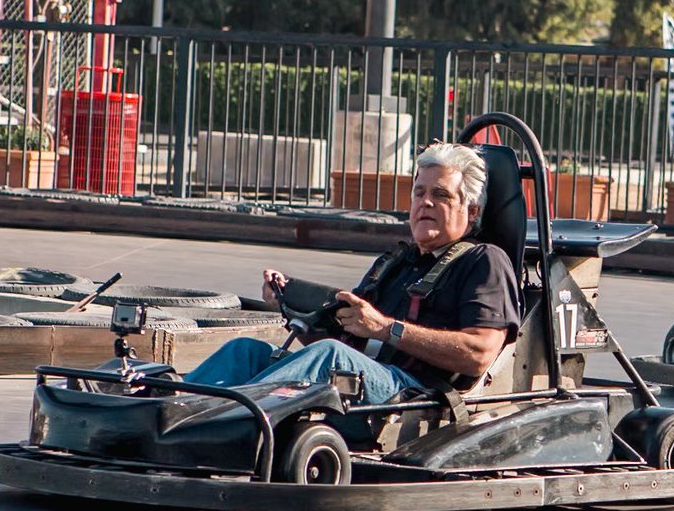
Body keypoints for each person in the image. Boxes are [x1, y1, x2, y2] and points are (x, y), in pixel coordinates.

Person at [184, 142, 522, 402]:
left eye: (441, 195)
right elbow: (344, 340)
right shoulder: (397, 262)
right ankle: (170, 406)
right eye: (420, 192)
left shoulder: (484, 261)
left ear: (471, 209)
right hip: (368, 378)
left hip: (419, 394)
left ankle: (229, 417)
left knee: (329, 357)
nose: (426, 203)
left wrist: (387, 329)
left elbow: (479, 354)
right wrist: (290, 308)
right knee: (245, 351)